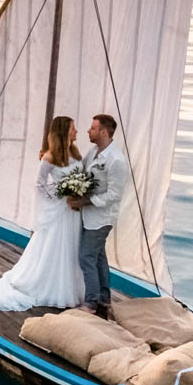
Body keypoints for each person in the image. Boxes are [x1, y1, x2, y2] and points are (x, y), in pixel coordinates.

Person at [0, 115, 87, 312]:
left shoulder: (75, 152)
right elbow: (39, 184)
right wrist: (60, 193)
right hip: (59, 210)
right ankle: (49, 286)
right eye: (73, 128)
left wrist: (78, 191)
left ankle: (69, 287)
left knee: (71, 248)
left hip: (73, 212)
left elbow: (80, 176)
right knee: (55, 247)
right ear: (64, 131)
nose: (76, 131)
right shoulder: (49, 157)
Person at [70, 113, 129, 317]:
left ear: (104, 132)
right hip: (89, 216)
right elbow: (79, 166)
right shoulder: (94, 151)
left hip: (101, 218)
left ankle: (91, 302)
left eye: (93, 128)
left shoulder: (116, 160)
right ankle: (104, 298)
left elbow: (114, 194)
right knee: (98, 258)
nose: (89, 131)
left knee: (86, 257)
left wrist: (86, 201)